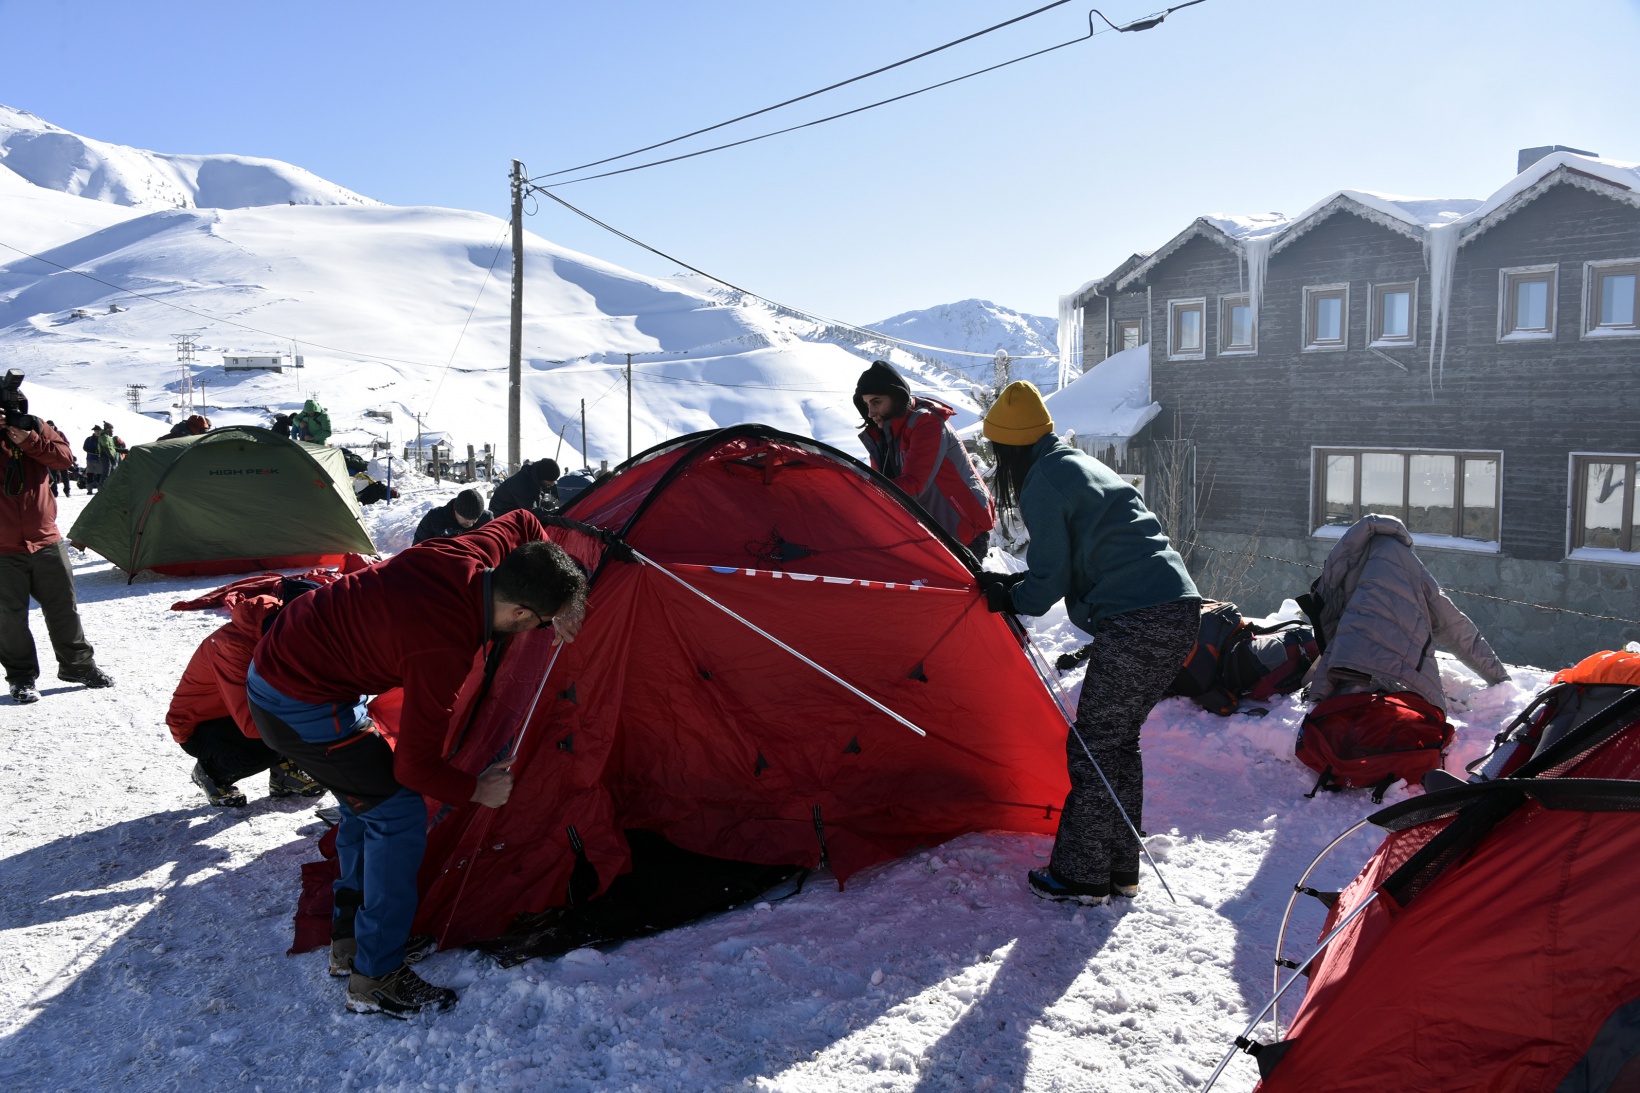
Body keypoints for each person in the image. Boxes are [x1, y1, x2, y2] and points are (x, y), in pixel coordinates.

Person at [246, 510, 586, 1016]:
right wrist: (478, 790)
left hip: (302, 668)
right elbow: (415, 770)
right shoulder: (443, 646)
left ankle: (351, 942)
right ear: (518, 613)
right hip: (297, 700)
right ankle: (374, 978)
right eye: (539, 623)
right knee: (397, 811)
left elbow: (523, 521)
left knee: (370, 801)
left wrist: (564, 602)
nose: (540, 630)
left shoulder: (470, 556)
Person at [978, 381, 1199, 906]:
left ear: (1008, 448)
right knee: (1116, 741)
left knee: (1095, 746)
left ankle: (1080, 876)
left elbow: (1048, 578)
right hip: (1174, 607)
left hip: (1139, 615)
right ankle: (1118, 869)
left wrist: (1008, 596)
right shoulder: (1073, 463)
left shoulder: (1043, 481)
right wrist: (1016, 586)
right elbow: (1075, 559)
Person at [1302, 514, 1509, 712]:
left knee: (1341, 715)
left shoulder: (1342, 560)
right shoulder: (1409, 565)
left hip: (1350, 660)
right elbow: (1454, 625)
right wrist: (1499, 678)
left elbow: (1326, 612)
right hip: (1404, 669)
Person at [166, 583, 324, 807]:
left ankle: (284, 774)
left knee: (300, 715)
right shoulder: (233, 647)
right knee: (266, 746)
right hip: (199, 726)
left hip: (236, 713)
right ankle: (211, 773)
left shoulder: (280, 627)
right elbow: (251, 723)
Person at [2, 412, 114, 704]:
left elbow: (64, 460)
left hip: (46, 540)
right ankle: (21, 678)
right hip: (2, 549)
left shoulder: (36, 427)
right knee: (8, 620)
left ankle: (78, 667)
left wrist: (30, 440)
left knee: (64, 608)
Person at [853, 360, 996, 556]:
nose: (870, 413)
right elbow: (883, 485)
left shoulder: (926, 423)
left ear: (896, 397)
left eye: (876, 402)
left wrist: (858, 490)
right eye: (867, 404)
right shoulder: (884, 434)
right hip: (935, 532)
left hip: (963, 528)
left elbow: (913, 485)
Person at [412, 488, 492, 546]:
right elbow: (416, 550)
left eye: (475, 519)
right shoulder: (434, 519)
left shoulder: (486, 520)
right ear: (455, 510)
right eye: (466, 519)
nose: (470, 524)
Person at [489, 458, 559, 518]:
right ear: (542, 478)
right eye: (550, 481)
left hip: (515, 511)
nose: (552, 484)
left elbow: (553, 489)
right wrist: (550, 515)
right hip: (501, 516)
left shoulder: (534, 477)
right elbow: (530, 512)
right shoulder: (521, 484)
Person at [81, 425, 104, 492]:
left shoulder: (102, 439)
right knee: (89, 475)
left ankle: (100, 490)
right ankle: (89, 490)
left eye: (99, 431)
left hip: (99, 460)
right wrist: (92, 451)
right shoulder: (89, 439)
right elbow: (85, 447)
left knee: (99, 476)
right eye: (96, 431)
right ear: (94, 431)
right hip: (90, 459)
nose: (98, 432)